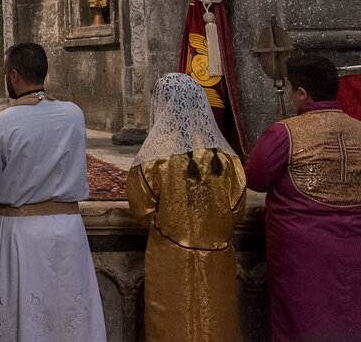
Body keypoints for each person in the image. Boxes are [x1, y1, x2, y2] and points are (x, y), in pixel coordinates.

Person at [0, 43, 106, 341]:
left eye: (7, 73)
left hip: (20, 235)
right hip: (69, 231)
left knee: (24, 323)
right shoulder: (74, 114)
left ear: (14, 76)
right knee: (70, 319)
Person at [244, 53, 361, 341]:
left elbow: (255, 178)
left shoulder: (284, 133)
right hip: (356, 241)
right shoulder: (359, 128)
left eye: (290, 87)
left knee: (303, 320)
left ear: (302, 93)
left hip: (302, 251)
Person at [126, 73, 246, 342]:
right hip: (217, 255)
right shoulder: (224, 156)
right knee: (217, 321)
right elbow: (237, 208)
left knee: (172, 325)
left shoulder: (155, 156)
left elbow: (141, 209)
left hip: (170, 258)